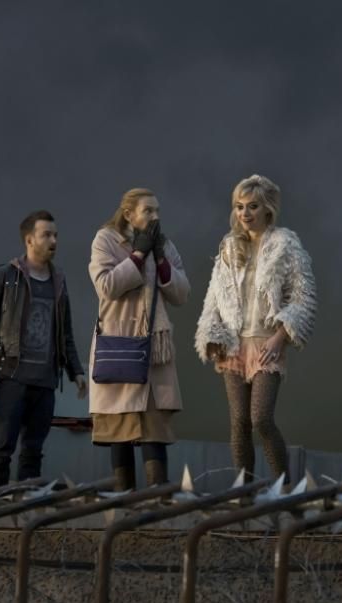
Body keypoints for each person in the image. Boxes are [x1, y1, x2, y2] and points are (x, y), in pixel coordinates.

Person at [0, 210, 86, 488]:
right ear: (29, 240)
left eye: (56, 235)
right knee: (1, 451)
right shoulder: (5, 276)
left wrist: (76, 372)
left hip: (45, 381)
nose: (54, 241)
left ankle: (26, 507)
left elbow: (66, 333)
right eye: (46, 235)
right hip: (12, 377)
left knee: (33, 453)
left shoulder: (59, 281)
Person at [195, 174, 317, 483]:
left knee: (261, 418)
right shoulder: (229, 247)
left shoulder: (285, 244)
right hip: (233, 345)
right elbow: (214, 297)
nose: (245, 213)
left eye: (252, 206)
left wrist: (280, 337)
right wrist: (212, 334)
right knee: (239, 422)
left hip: (266, 344)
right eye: (239, 207)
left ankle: (285, 488)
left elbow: (303, 296)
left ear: (267, 209)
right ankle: (244, 492)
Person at [89, 188, 190, 491]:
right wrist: (137, 255)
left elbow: (182, 294)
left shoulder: (165, 245)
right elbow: (106, 286)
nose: (156, 216)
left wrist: (160, 259)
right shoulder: (106, 239)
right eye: (148, 210)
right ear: (129, 214)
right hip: (119, 345)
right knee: (119, 429)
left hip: (154, 352)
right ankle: (123, 501)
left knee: (154, 430)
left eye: (158, 210)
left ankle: (158, 501)